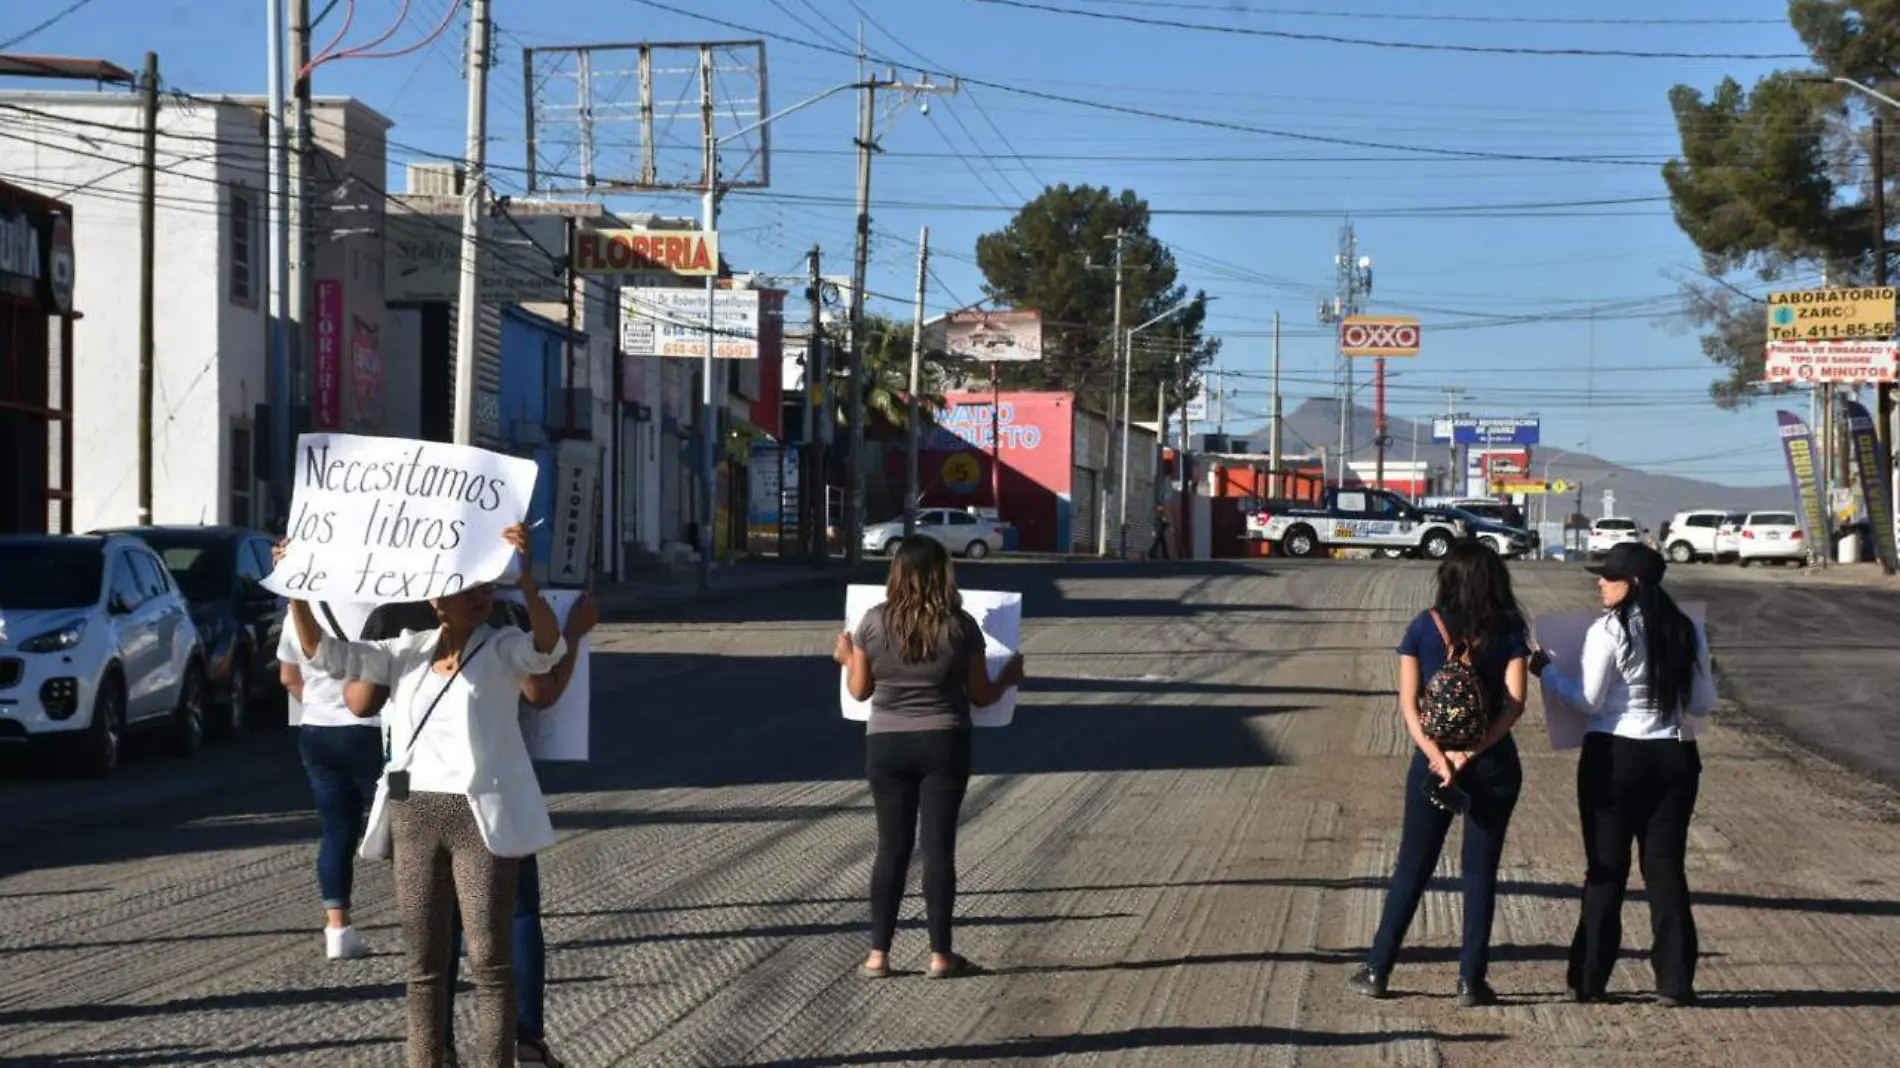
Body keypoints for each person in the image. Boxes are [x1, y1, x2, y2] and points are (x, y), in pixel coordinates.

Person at [283, 524, 566, 1068]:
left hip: (480, 817)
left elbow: (547, 648)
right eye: (466, 588)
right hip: (415, 816)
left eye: (485, 587)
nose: (480, 596)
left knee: (488, 959)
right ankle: (426, 1060)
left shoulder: (504, 646)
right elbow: (322, 655)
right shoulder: (403, 650)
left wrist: (527, 581)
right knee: (424, 963)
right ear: (437, 599)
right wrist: (297, 589)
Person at [347, 591, 599, 1068]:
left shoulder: (390, 619)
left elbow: (359, 702)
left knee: (428, 946)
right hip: (489, 796)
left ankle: (436, 1050)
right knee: (511, 925)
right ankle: (523, 1042)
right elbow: (541, 694)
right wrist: (574, 634)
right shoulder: (504, 615)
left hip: (416, 797)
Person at [1531, 542, 1717, 1008]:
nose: (1600, 582)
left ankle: (1590, 979)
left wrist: (1547, 673)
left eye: (1608, 576)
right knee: (1666, 870)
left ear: (1632, 583)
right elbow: (1702, 704)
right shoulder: (1687, 629)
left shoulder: (1609, 629)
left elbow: (1588, 700)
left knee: (1605, 870)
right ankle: (1676, 982)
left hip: (1615, 755)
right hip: (1674, 755)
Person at [1350, 539, 1530, 1007]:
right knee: (1480, 871)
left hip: (1434, 765)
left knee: (1413, 866)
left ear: (1447, 578)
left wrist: (1440, 756)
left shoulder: (1422, 628)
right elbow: (1514, 705)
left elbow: (1409, 706)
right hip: (1492, 765)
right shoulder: (1509, 628)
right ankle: (1471, 980)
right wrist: (1471, 754)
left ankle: (1378, 969)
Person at [835, 535, 1023, 979]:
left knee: (891, 849)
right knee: (938, 849)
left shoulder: (872, 623)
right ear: (944, 574)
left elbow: (860, 691)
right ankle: (940, 955)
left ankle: (878, 955)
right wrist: (1010, 676)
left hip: (885, 744)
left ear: (896, 572)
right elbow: (980, 696)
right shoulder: (960, 626)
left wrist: (846, 658)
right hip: (944, 741)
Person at [279, 602, 380, 961]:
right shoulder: (382, 602)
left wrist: (322, 707)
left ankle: (338, 929)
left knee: (337, 829)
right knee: (407, 828)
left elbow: (288, 677)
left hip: (318, 732)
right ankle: (435, 924)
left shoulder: (300, 606)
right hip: (376, 731)